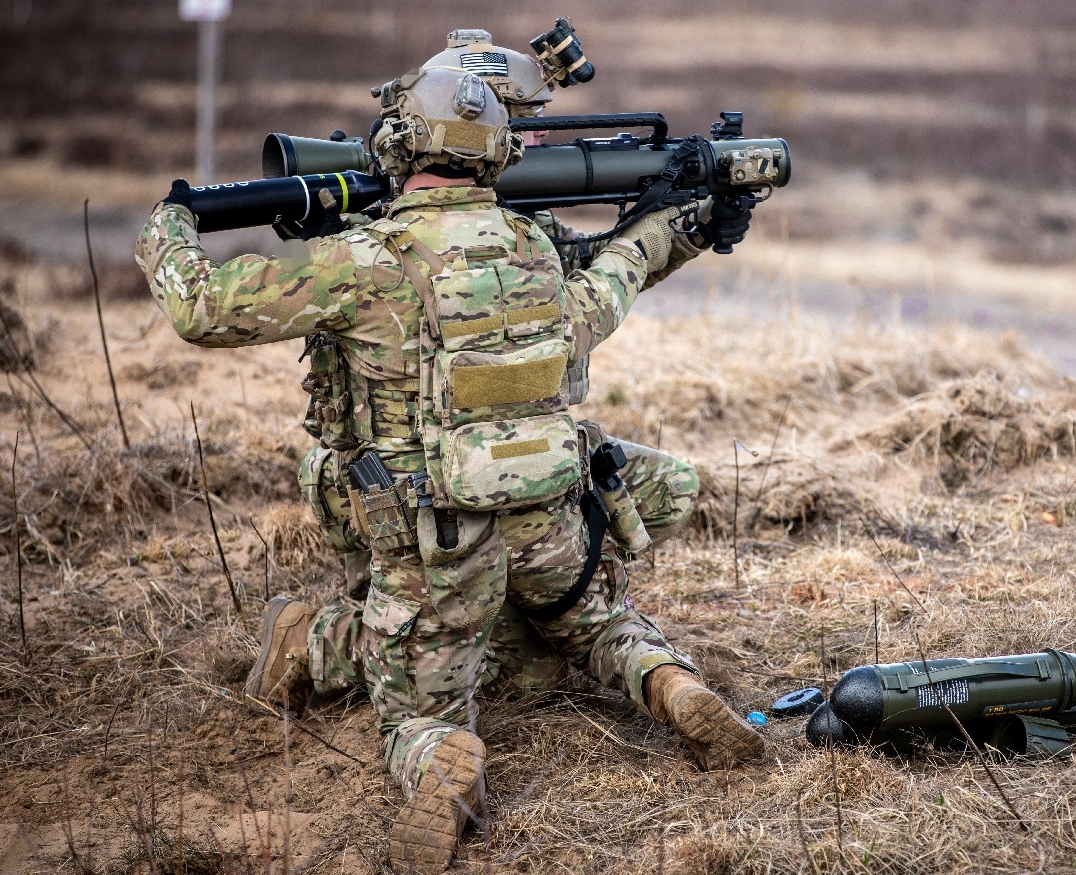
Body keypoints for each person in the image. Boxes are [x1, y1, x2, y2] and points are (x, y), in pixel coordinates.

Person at [136, 57, 762, 873]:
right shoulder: (536, 249)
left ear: (402, 142)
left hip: (430, 540)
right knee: (594, 622)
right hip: (548, 529)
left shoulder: (366, 263)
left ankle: (441, 762)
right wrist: (682, 224)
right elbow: (619, 274)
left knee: (414, 708)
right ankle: (673, 688)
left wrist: (168, 226)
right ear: (498, 148)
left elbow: (202, 307)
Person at [292, 31, 707, 704]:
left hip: (515, 476)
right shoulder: (382, 238)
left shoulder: (525, 237)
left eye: (532, 127)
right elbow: (602, 286)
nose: (530, 147)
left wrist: (680, 234)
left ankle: (514, 613)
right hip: (411, 493)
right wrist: (650, 244)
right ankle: (335, 638)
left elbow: (592, 283)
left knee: (668, 486)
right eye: (516, 126)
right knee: (523, 666)